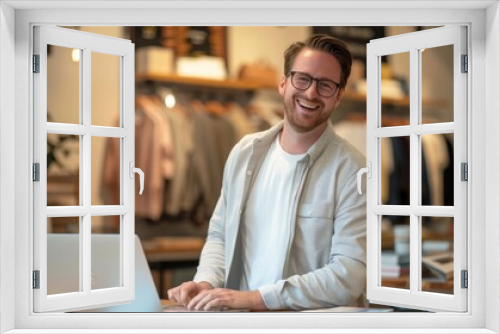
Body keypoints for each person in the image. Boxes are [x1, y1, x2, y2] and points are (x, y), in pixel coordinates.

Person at [167, 34, 367, 311]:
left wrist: (257, 298)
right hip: (239, 321)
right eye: (303, 79)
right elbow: (220, 236)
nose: (311, 92)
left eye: (325, 85)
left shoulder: (353, 171)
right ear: (284, 83)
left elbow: (349, 275)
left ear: (338, 97)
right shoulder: (244, 153)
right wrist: (206, 283)